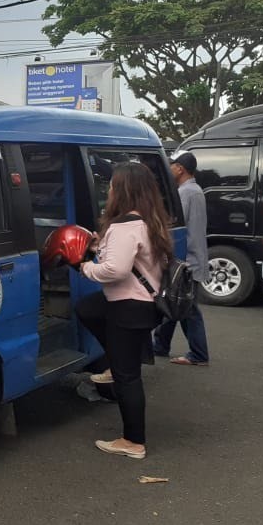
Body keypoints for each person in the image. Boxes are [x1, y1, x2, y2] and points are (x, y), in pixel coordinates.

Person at [74, 162, 174, 460]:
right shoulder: (149, 221)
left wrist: (85, 267)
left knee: (127, 377)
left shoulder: (124, 226)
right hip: (144, 304)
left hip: (129, 306)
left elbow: (115, 270)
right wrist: (98, 246)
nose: (110, 189)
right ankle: (114, 365)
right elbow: (128, 259)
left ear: (125, 190)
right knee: (88, 308)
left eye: (114, 185)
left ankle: (133, 441)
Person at [152, 151, 210, 365]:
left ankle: (199, 354)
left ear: (180, 169)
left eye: (172, 165)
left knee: (188, 309)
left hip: (188, 260)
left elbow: (174, 224)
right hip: (193, 258)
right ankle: (160, 345)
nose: (169, 169)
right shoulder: (194, 190)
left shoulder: (185, 193)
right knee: (172, 302)